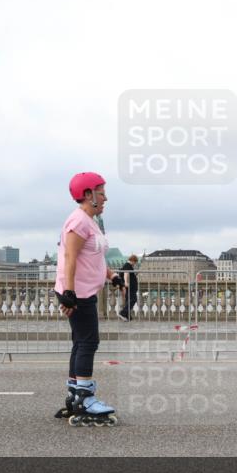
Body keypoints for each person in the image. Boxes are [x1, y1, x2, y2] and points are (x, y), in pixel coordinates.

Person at [53, 172, 125, 426]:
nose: (105, 197)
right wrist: (69, 293)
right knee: (88, 342)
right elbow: (70, 258)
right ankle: (85, 397)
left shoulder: (90, 221)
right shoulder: (78, 222)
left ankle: (75, 393)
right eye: (101, 192)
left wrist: (112, 276)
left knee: (80, 342)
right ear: (87, 195)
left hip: (84, 290)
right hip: (78, 292)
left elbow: (92, 258)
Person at [118, 254, 139, 321]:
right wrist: (126, 283)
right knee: (133, 299)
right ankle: (123, 313)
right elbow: (126, 273)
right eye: (135, 262)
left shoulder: (128, 265)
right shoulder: (128, 265)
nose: (135, 264)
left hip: (130, 286)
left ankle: (127, 316)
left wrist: (135, 274)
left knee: (128, 300)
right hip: (130, 287)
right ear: (133, 260)